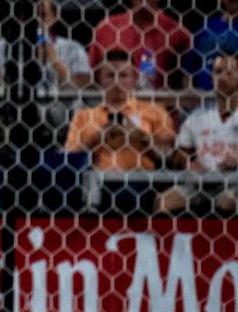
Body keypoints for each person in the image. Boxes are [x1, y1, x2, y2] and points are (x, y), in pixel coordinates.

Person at [155, 52, 238, 215]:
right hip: (199, 182)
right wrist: (189, 164)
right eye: (218, 72)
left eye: (230, 72)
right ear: (211, 77)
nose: (223, 77)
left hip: (234, 181)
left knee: (229, 202)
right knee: (164, 201)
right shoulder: (197, 114)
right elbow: (180, 153)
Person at [65, 50, 175, 213]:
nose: (117, 83)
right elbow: (68, 157)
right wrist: (97, 137)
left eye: (123, 76)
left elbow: (171, 158)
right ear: (99, 80)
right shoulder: (84, 116)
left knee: (126, 194)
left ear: (135, 79)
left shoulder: (155, 112)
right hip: (94, 182)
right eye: (110, 76)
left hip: (140, 181)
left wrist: (139, 136)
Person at [89, 0, 191, 89]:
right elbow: (93, 74)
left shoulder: (177, 32)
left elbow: (188, 77)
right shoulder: (107, 27)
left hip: (159, 105)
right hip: (116, 102)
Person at [0, 0, 91, 89]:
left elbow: (85, 86)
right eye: (30, 15)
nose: (36, 20)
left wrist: (55, 62)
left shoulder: (73, 48)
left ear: (55, 17)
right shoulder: (3, 46)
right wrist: (11, 66)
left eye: (42, 15)